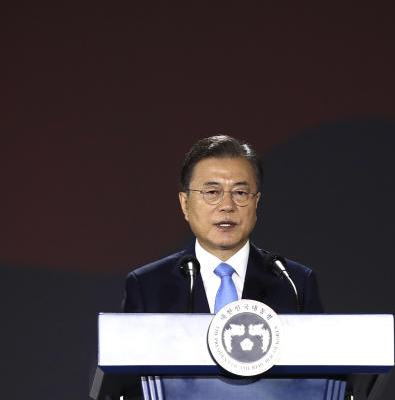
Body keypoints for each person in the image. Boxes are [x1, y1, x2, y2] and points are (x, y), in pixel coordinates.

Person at [121, 134, 322, 314]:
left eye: (240, 193)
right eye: (212, 193)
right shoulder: (147, 286)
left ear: (256, 202)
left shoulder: (294, 283)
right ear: (185, 203)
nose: (227, 206)